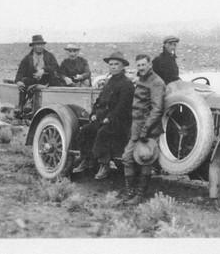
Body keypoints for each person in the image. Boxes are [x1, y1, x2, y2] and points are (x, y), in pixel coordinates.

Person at [73, 51, 134, 180]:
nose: (113, 67)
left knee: (103, 133)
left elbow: (123, 106)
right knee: (86, 130)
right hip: (103, 118)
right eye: (111, 64)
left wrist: (110, 118)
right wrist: (94, 114)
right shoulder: (109, 82)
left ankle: (104, 164)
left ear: (123, 66)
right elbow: (99, 101)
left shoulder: (127, 84)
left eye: (116, 64)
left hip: (119, 121)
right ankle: (87, 159)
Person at [121, 54, 166, 205]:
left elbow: (157, 109)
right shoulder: (140, 79)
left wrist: (146, 130)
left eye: (143, 65)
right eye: (138, 65)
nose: (141, 68)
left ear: (150, 64)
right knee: (127, 158)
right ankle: (130, 193)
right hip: (137, 126)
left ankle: (140, 195)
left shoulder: (157, 82)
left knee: (146, 158)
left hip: (149, 128)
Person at [14, 35, 61, 111]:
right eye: (37, 44)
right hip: (32, 80)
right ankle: (21, 106)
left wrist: (44, 70)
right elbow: (20, 72)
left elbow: (56, 68)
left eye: (41, 44)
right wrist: (18, 81)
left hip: (47, 79)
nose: (40, 47)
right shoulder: (27, 58)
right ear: (33, 46)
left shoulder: (49, 56)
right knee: (23, 84)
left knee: (57, 81)